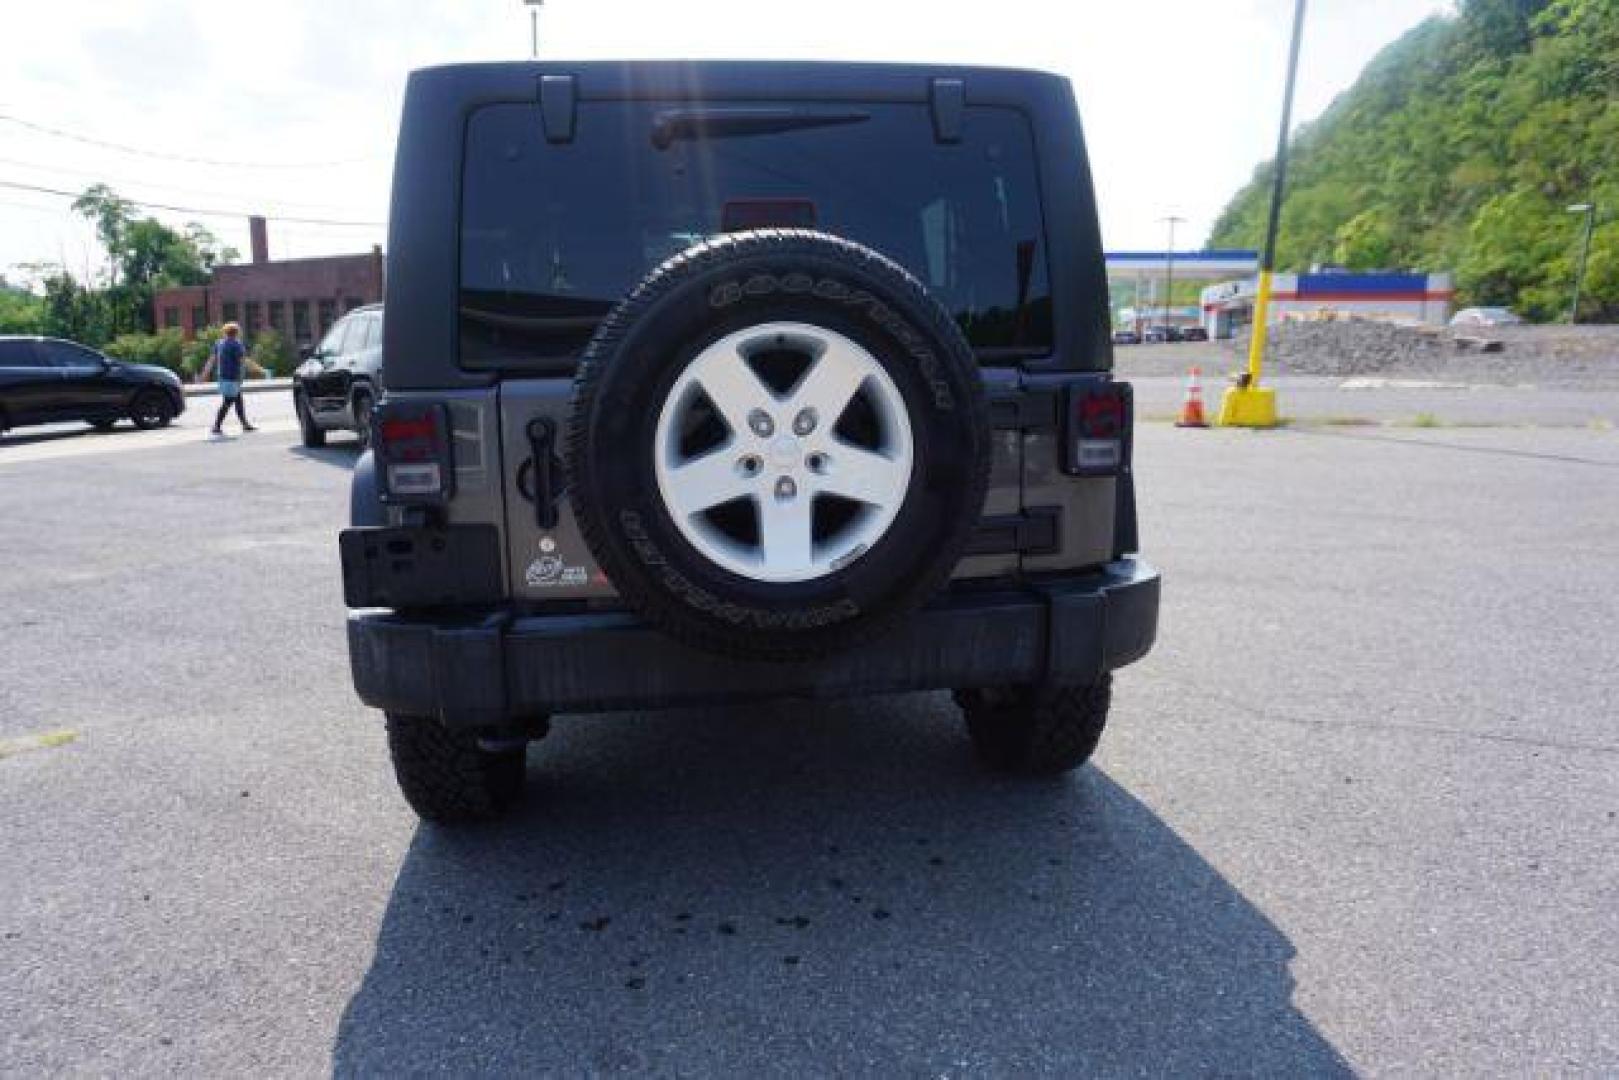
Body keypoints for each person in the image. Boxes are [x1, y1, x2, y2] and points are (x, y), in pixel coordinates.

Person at [198, 323, 263, 435]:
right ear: (237, 333)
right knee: (228, 402)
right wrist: (260, 369)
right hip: (232, 378)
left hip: (222, 377)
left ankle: (244, 424)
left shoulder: (219, 343)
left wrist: (204, 374)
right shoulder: (236, 344)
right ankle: (216, 426)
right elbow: (244, 361)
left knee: (238, 400)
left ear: (225, 332)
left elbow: (211, 360)